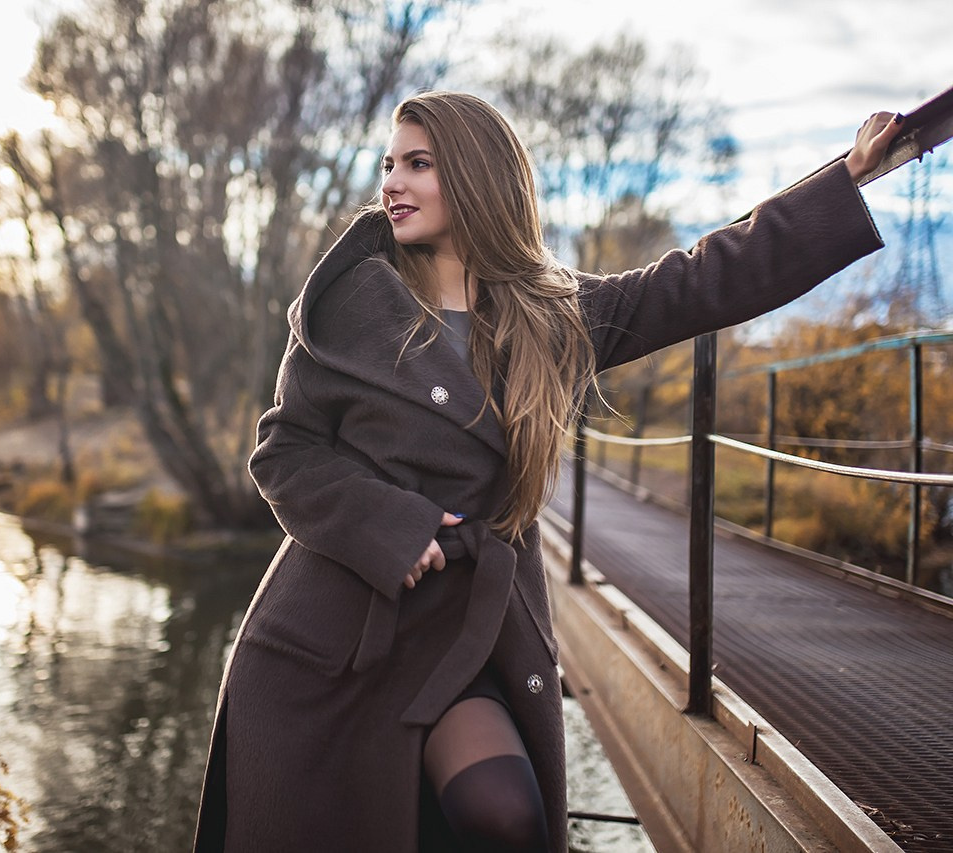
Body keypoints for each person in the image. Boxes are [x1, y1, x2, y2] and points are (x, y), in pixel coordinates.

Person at [193, 91, 901, 853]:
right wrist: (393, 526)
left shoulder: (551, 317)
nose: (392, 182)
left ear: (475, 177)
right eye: (389, 164)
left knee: (508, 816)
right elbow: (286, 450)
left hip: (467, 634)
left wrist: (847, 179)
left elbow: (698, 279)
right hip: (337, 636)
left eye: (418, 164)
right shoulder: (349, 309)